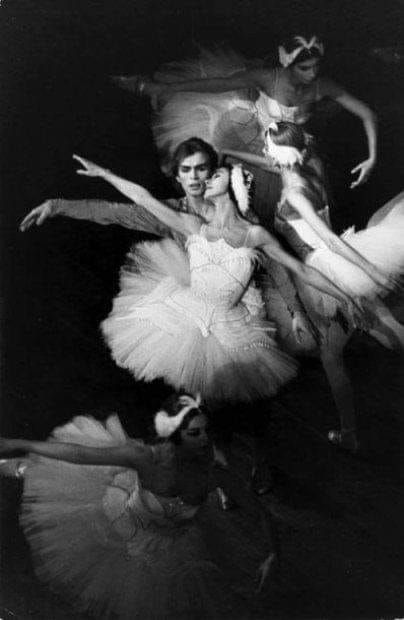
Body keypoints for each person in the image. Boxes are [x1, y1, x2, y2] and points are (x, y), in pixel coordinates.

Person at [67, 154, 364, 408]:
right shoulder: (193, 223)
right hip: (184, 314)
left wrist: (344, 298)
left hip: (228, 327)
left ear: (237, 184)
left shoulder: (255, 234)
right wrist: (104, 174)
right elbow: (142, 199)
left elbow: (300, 271)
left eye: (215, 175)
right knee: (187, 392)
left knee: (219, 399)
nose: (206, 179)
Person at [0, 393, 277, 619]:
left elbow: (257, 508)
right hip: (122, 524)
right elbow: (80, 453)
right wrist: (17, 442)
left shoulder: (214, 471)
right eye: (195, 433)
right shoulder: (146, 459)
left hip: (170, 542)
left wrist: (272, 551)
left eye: (206, 432)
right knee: (52, 475)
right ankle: (20, 466)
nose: (205, 439)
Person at [224, 121, 404, 451]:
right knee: (384, 328)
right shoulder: (312, 165)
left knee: (332, 355)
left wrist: (372, 274)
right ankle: (349, 433)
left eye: (267, 148)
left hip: (329, 269)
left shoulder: (293, 193)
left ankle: (349, 435)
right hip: (352, 255)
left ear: (277, 153)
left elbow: (330, 241)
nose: (265, 154)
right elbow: (274, 163)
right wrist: (230, 152)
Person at [114, 35, 377, 227]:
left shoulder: (322, 86)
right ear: (287, 63)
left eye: (316, 68)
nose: (311, 74)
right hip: (254, 141)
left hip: (291, 149)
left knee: (312, 201)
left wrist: (371, 158)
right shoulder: (267, 78)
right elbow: (217, 84)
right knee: (257, 209)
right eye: (304, 68)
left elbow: (367, 113)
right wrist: (165, 89)